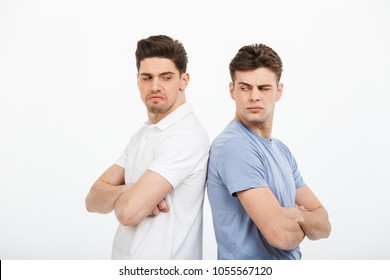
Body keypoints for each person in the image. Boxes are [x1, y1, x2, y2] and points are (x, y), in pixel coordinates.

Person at [85, 35, 209, 260]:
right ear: (138, 81)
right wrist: (131, 190)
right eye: (147, 77)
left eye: (166, 77)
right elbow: (92, 200)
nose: (154, 86)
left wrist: (126, 197)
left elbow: (128, 213)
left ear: (184, 80)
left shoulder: (185, 135)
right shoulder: (141, 135)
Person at [207, 43, 331, 260]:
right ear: (232, 91)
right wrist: (303, 218)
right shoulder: (235, 146)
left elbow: (324, 225)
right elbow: (281, 236)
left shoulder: (281, 151)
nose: (254, 96)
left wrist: (297, 216)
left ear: (278, 91)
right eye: (245, 87)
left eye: (263, 88)